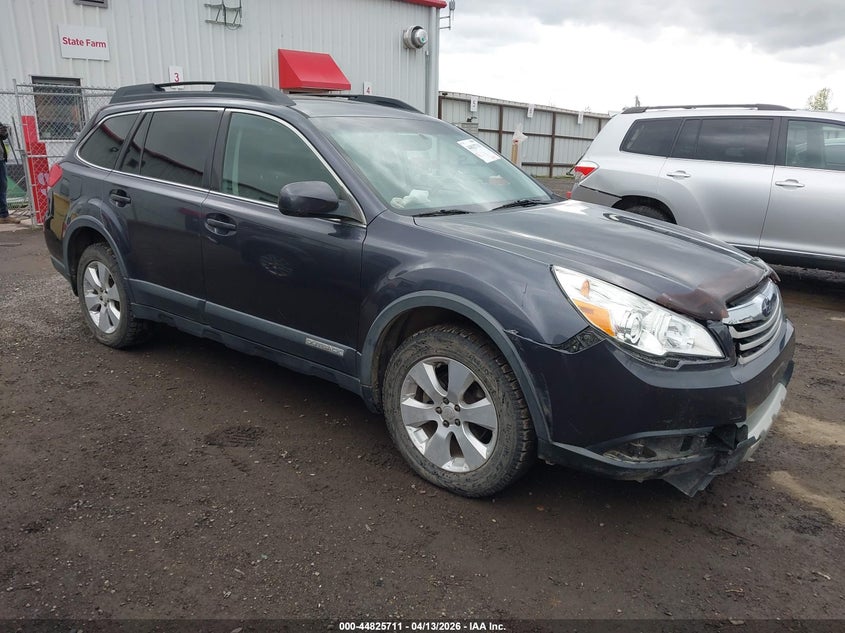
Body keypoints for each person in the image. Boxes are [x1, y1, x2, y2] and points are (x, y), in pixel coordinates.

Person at [0, 122, 20, 224]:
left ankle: (4, 215)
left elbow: (4, 137)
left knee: (2, 187)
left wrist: (3, 131)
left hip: (0, 159)